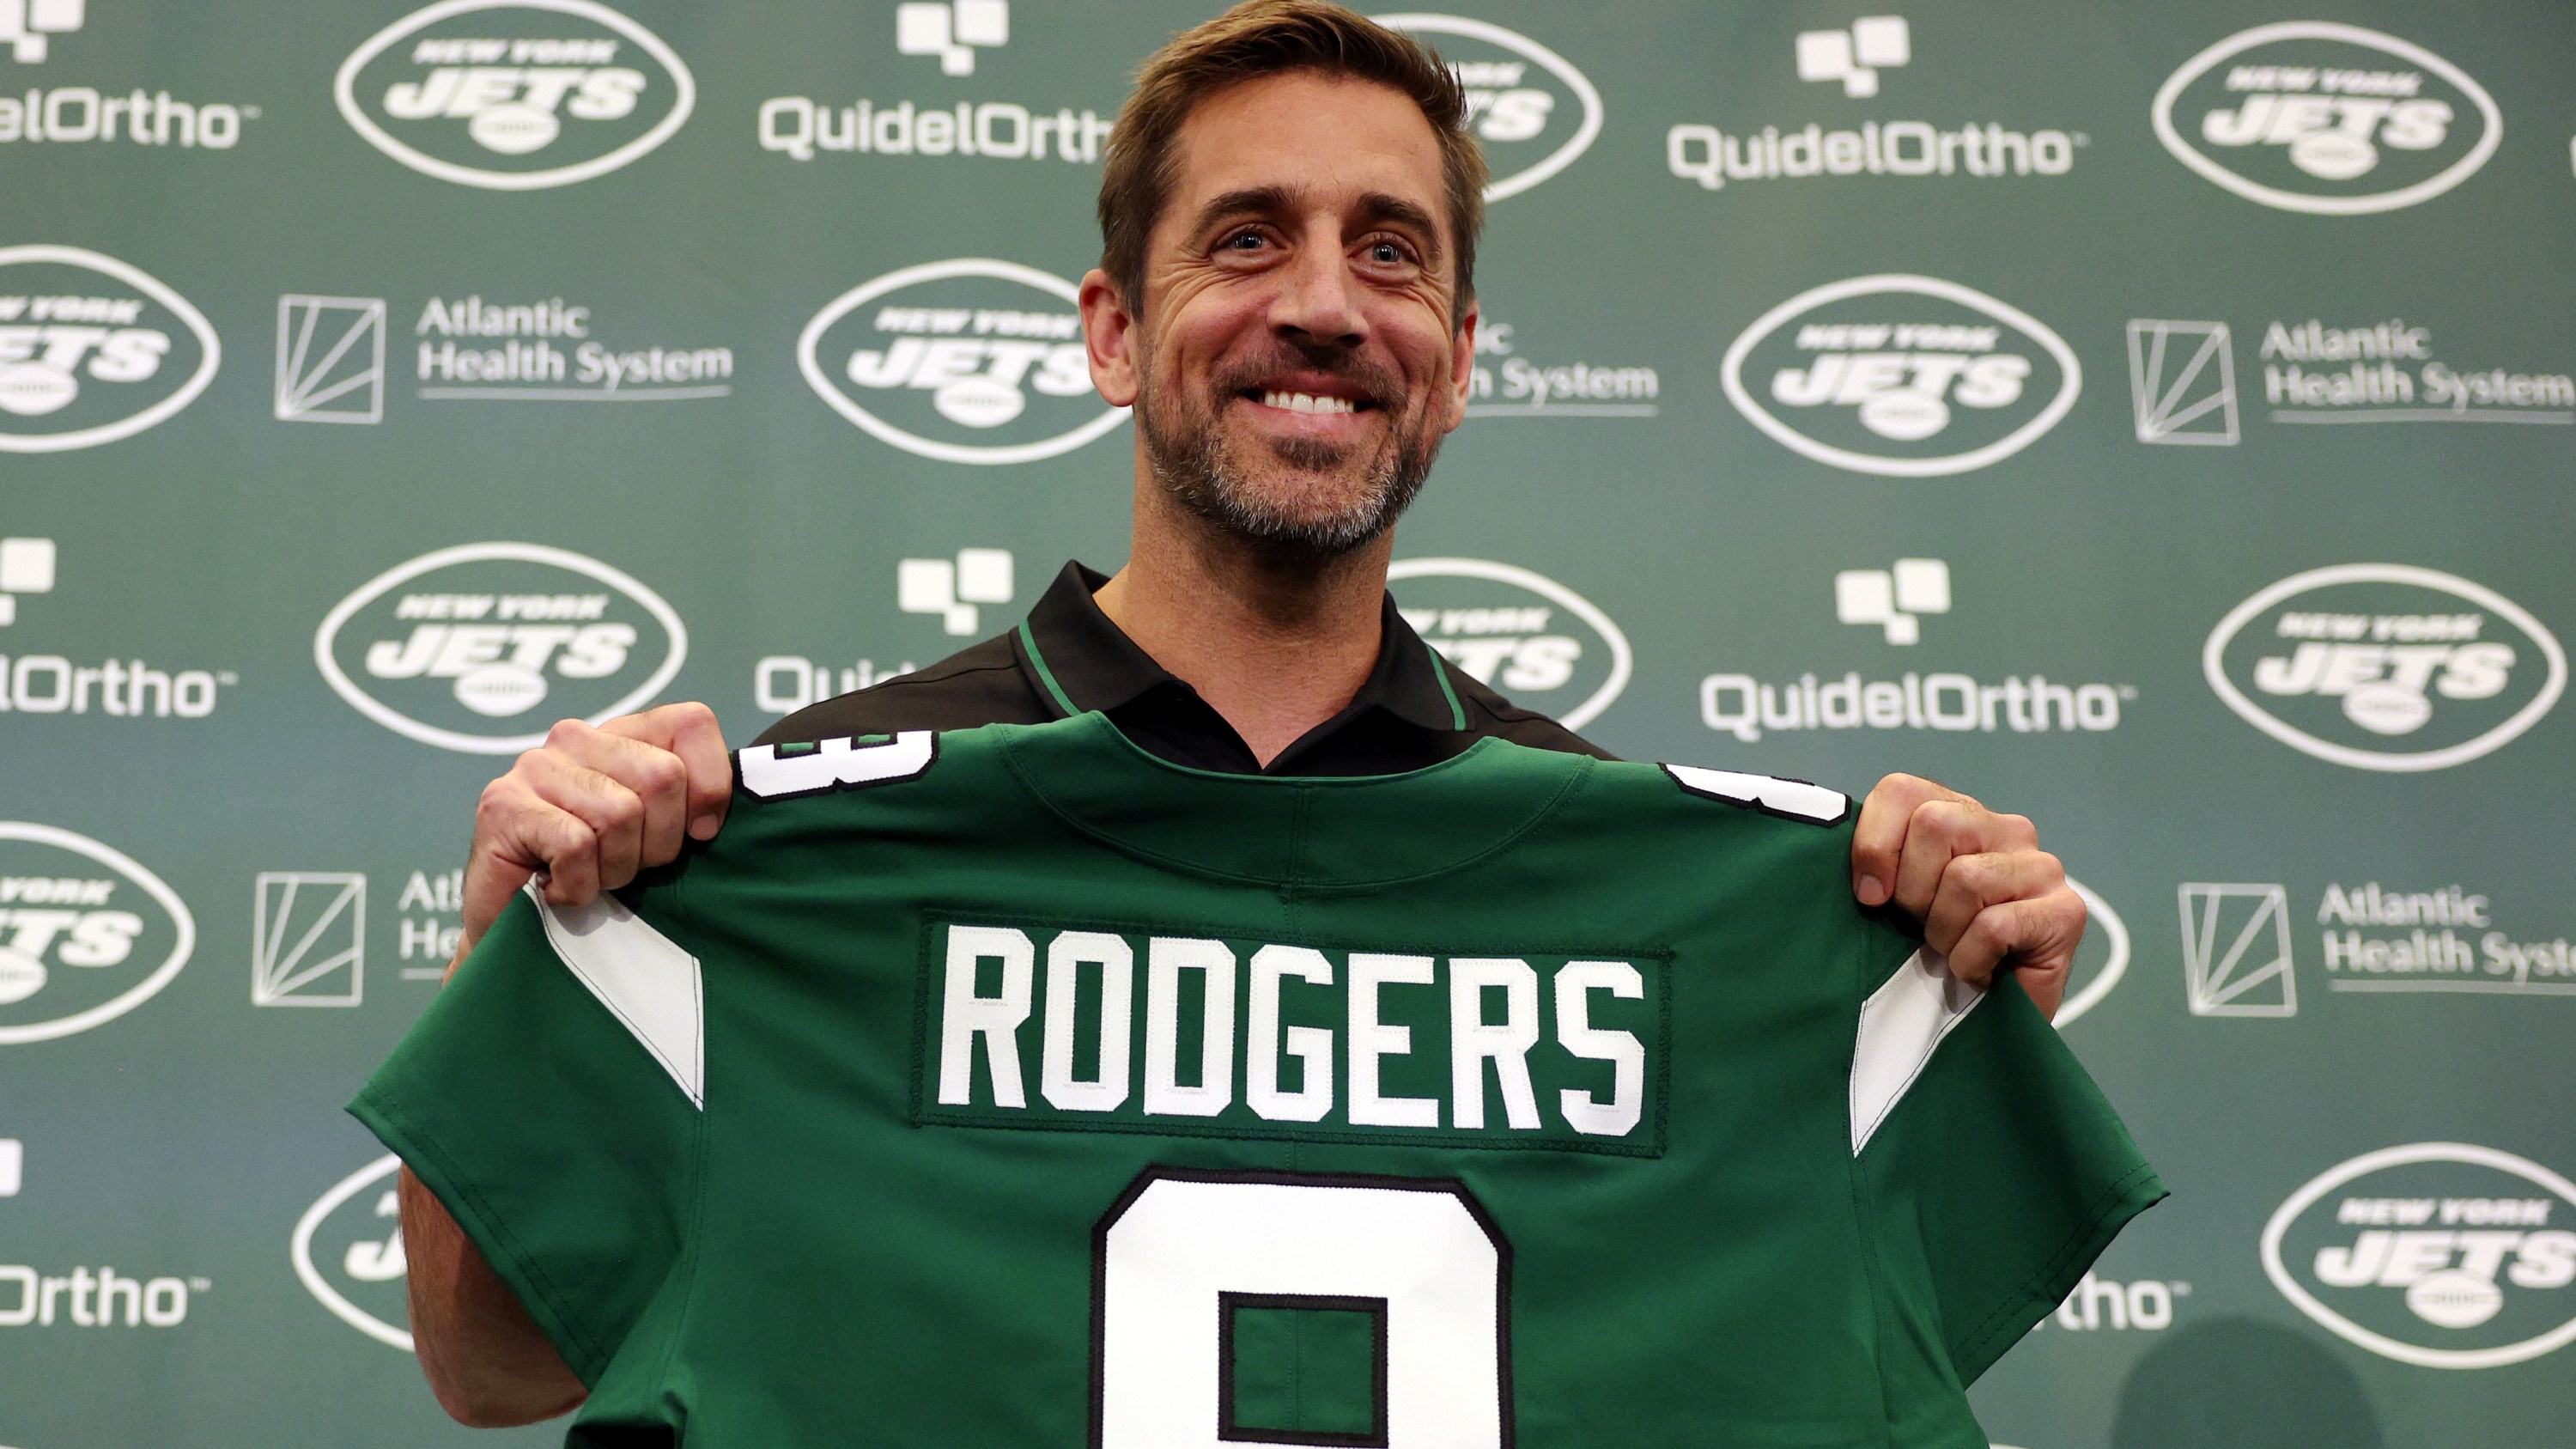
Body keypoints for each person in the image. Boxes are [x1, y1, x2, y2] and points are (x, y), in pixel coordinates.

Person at [398, 1, 2087, 1427]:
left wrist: (1928, 987)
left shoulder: (1684, 907)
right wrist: (520, 939)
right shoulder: (805, 853)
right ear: (1114, 331)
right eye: (1247, 236)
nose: (1326, 305)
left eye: (1392, 252)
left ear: (1461, 351)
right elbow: (489, 1364)